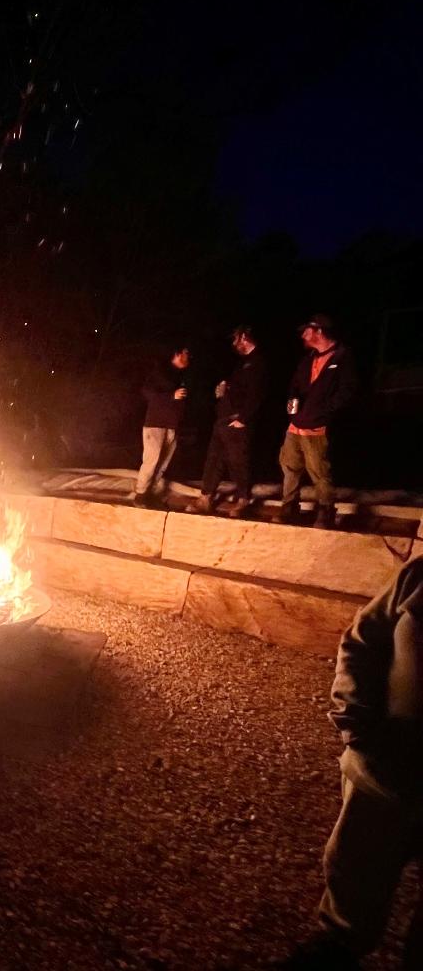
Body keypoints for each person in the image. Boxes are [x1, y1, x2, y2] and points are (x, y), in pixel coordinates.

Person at [279, 556, 423, 970]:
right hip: (385, 772)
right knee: (356, 867)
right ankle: (336, 947)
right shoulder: (418, 576)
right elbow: (363, 640)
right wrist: (356, 725)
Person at [276, 314, 357, 529]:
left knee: (320, 472)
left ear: (319, 330)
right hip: (296, 425)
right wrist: (292, 406)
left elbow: (347, 392)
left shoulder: (342, 357)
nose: (303, 334)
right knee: (289, 466)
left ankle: (326, 510)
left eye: (307, 330)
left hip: (318, 428)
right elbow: (294, 385)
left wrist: (324, 412)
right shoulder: (308, 358)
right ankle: (289, 506)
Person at [186, 325, 267, 518]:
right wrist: (225, 387)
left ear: (244, 338)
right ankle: (205, 498)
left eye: (235, 339)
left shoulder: (259, 362)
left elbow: (257, 393)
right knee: (213, 459)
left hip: (236, 421)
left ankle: (243, 500)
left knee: (238, 462)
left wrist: (243, 418)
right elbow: (239, 388)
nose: (233, 343)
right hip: (223, 419)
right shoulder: (242, 363)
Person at [133, 345, 190, 508]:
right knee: (151, 460)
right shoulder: (160, 372)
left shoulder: (181, 376)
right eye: (186, 354)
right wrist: (171, 395)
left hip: (172, 426)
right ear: (177, 354)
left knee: (163, 463)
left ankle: (152, 494)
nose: (189, 358)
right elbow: (147, 393)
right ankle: (140, 494)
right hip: (155, 424)